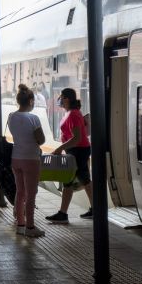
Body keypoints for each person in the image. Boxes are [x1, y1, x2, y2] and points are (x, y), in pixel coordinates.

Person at [46, 88, 93, 222]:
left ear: (66, 98)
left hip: (78, 150)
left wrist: (60, 148)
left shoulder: (73, 114)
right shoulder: (71, 113)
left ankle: (63, 214)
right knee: (81, 180)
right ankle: (94, 210)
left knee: (71, 180)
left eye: (61, 97)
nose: (59, 100)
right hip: (77, 150)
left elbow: (77, 138)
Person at [8, 84, 46, 237]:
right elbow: (41, 140)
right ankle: (30, 227)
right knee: (31, 194)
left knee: (20, 192)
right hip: (31, 159)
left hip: (16, 158)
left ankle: (20, 224)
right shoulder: (34, 118)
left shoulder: (12, 116)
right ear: (30, 101)